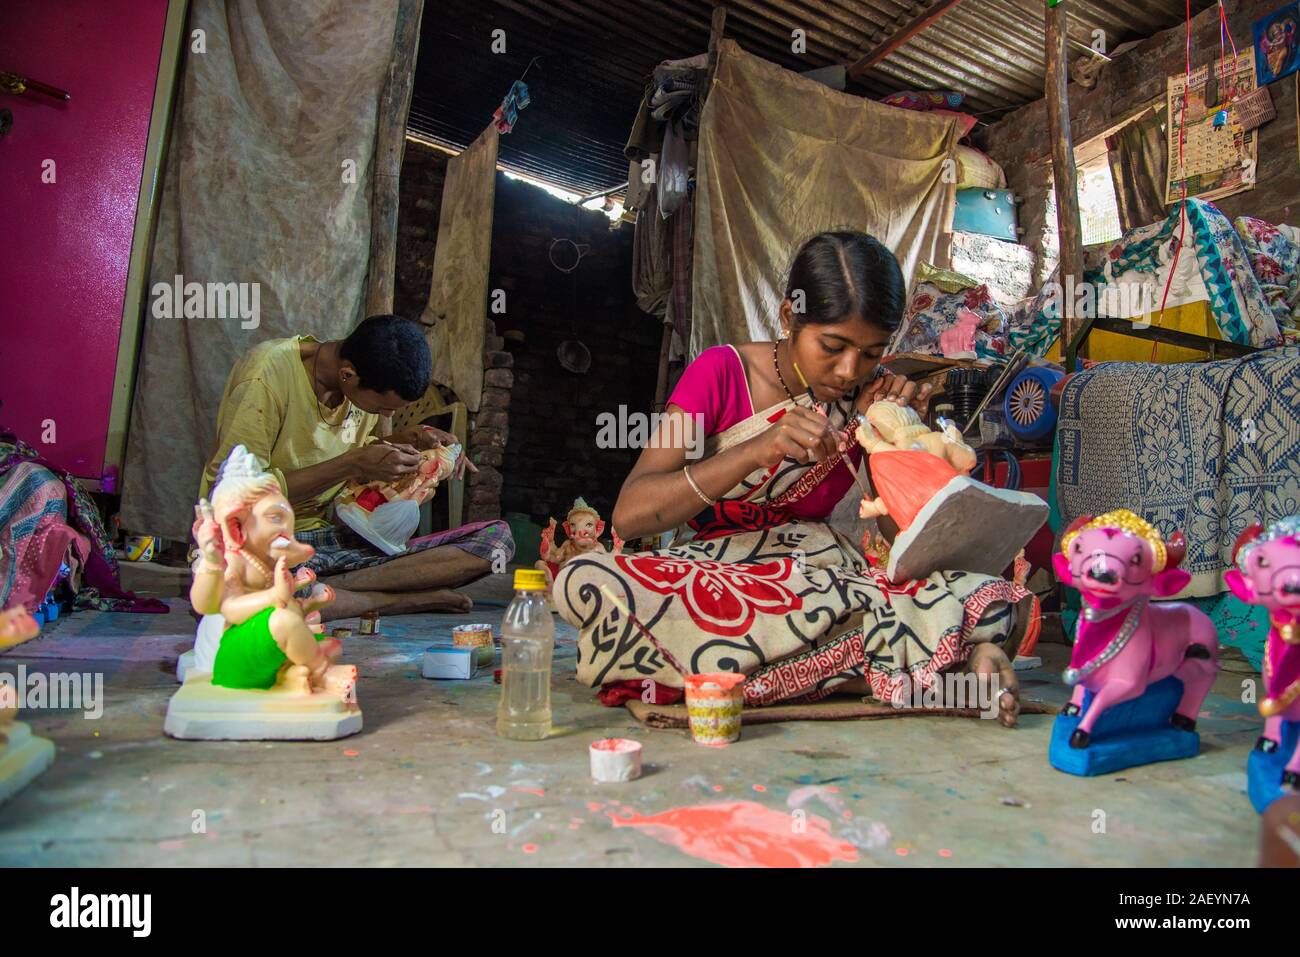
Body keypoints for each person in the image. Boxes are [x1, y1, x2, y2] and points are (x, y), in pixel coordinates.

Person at [553, 232, 1032, 725]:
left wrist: (901, 446)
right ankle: (924, 661)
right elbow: (630, 516)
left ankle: (853, 666)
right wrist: (753, 451)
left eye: (871, 352)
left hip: (818, 575)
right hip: (717, 580)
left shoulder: (871, 396)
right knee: (587, 580)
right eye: (833, 345)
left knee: (979, 591)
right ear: (788, 318)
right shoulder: (720, 373)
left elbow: (905, 545)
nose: (849, 370)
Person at [199, 314, 513, 618]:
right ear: (348, 375)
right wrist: (351, 464)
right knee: (233, 589)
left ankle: (326, 590)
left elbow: (360, 455)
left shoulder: (355, 386)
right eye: (384, 408)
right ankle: (397, 599)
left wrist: (415, 440)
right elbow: (232, 496)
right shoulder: (267, 376)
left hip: (328, 544)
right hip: (260, 544)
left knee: (496, 541)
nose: (386, 417)